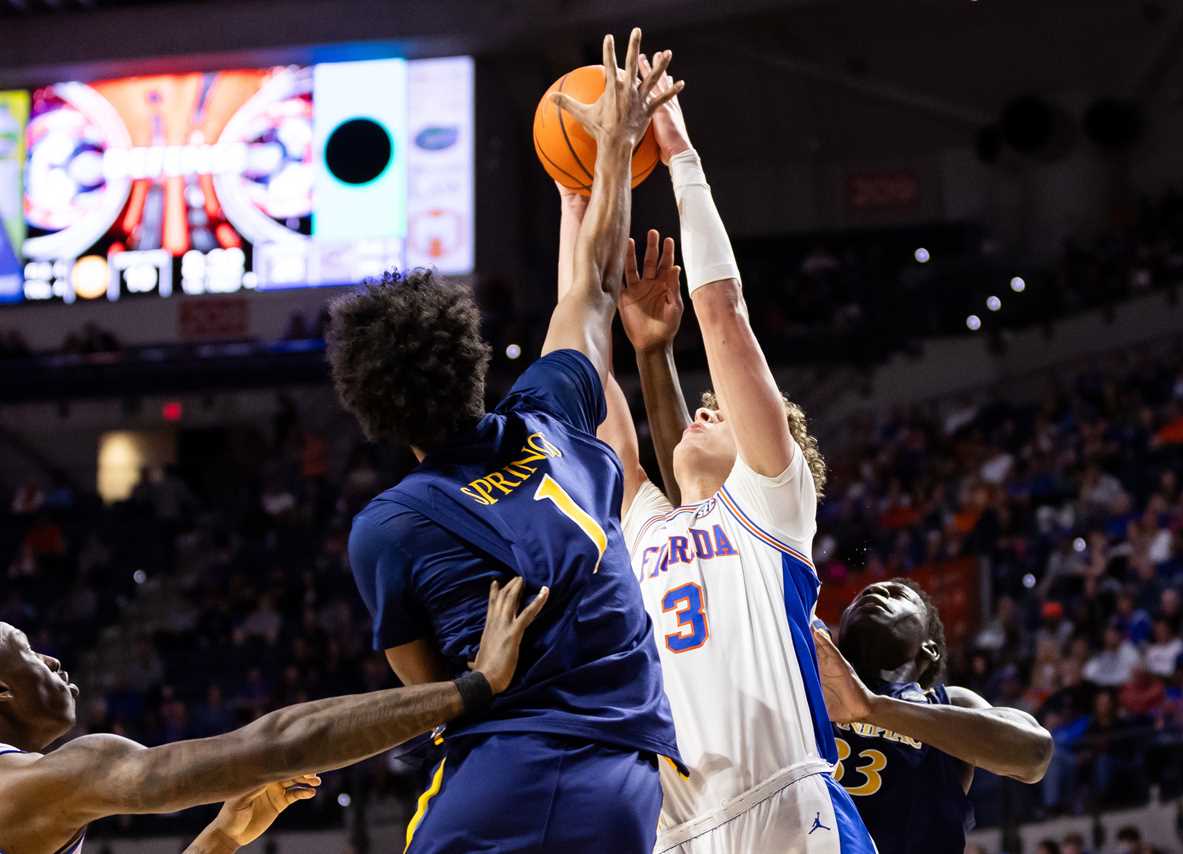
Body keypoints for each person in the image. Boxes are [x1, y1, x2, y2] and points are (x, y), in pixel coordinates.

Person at [326, 29, 684, 854]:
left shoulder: (390, 526)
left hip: (508, 773)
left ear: (371, 409)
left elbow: (432, 696)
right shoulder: (553, 412)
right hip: (629, 779)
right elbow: (593, 287)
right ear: (471, 358)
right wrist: (617, 149)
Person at [590, 57, 873, 853]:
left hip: (787, 799)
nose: (702, 409)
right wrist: (589, 190)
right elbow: (592, 378)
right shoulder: (649, 525)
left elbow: (720, 312)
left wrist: (677, 149)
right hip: (674, 829)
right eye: (701, 406)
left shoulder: (770, 505)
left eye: (719, 408)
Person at [0, 577, 547, 854]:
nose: (50, 658)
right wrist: (473, 687)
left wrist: (221, 838)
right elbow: (279, 745)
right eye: (26, 649)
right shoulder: (25, 787)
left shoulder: (31, 798)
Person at [814, 579, 1053, 853]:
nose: (874, 592)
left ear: (930, 648)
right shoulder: (804, 694)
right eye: (860, 595)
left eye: (897, 594)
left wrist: (873, 707)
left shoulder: (951, 702)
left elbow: (1034, 753)